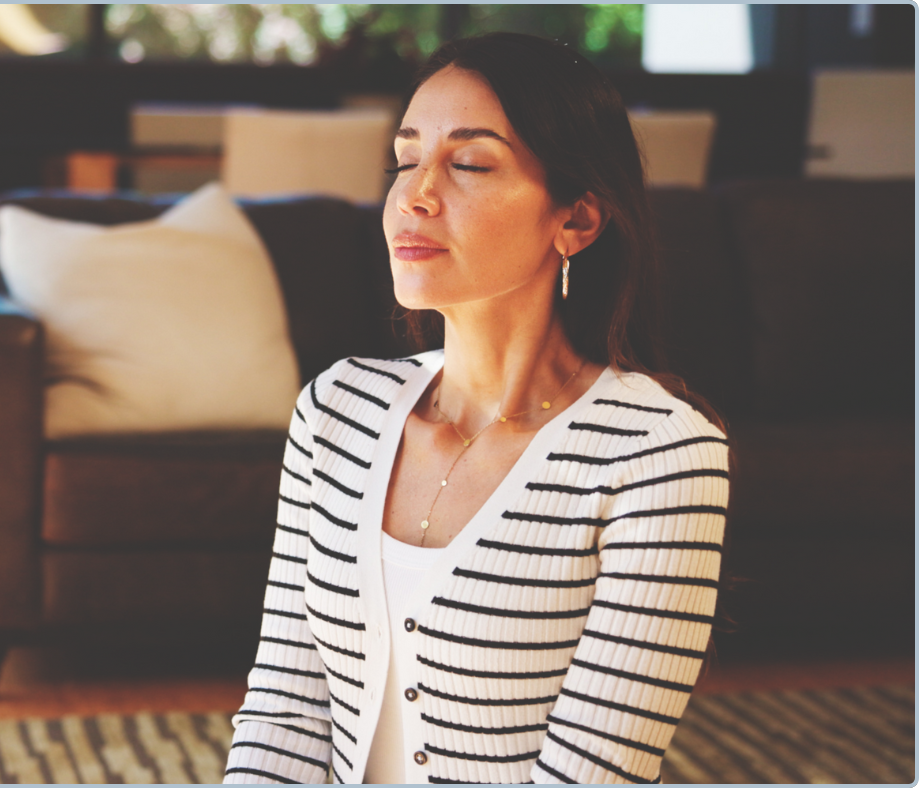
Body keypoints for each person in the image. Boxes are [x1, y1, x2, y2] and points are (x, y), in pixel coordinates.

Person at [224, 32, 729, 785]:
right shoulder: (336, 408)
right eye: (405, 161)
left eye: (469, 164)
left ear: (577, 221)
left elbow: (594, 772)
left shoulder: (657, 454)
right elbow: (283, 709)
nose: (415, 195)